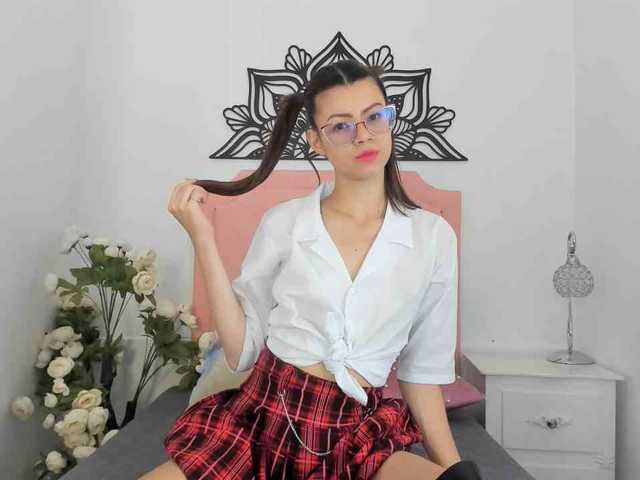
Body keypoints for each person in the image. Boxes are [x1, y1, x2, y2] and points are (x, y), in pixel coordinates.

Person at [140, 59, 483, 479]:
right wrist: (202, 238)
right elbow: (241, 351)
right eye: (341, 126)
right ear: (316, 142)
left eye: (374, 116)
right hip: (263, 421)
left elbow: (421, 372)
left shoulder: (433, 237)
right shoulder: (284, 222)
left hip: (356, 436)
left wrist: (452, 470)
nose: (363, 135)